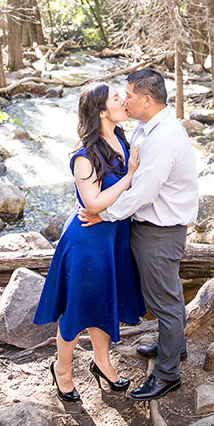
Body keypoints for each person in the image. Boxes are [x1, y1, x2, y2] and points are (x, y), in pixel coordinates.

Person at [79, 67, 198, 402]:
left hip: (160, 232)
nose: (124, 101)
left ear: (147, 100)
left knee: (165, 300)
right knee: (166, 294)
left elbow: (143, 192)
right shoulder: (152, 126)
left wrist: (103, 214)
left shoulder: (161, 138)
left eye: (128, 96)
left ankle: (167, 374)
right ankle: (173, 347)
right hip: (156, 228)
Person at [33, 82, 145, 402]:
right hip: (86, 244)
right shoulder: (84, 155)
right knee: (77, 311)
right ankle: (63, 370)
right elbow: (93, 204)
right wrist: (128, 176)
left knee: (102, 304)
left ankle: (101, 361)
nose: (123, 101)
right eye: (115, 99)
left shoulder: (121, 139)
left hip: (112, 240)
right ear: (101, 112)